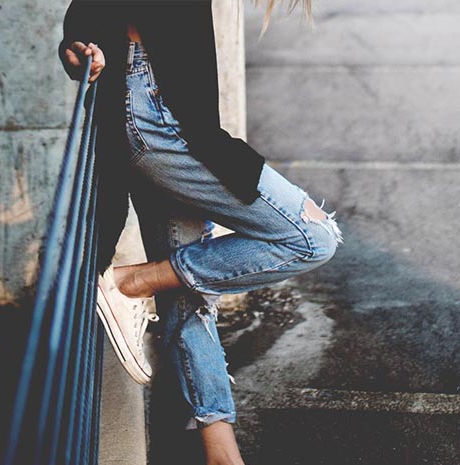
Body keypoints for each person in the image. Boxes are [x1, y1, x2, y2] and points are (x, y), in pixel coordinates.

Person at [59, 1, 340, 464]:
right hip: (159, 119)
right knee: (311, 237)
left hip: (156, 106)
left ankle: (221, 452)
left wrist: (81, 41)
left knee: (186, 287)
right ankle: (129, 284)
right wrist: (81, 41)